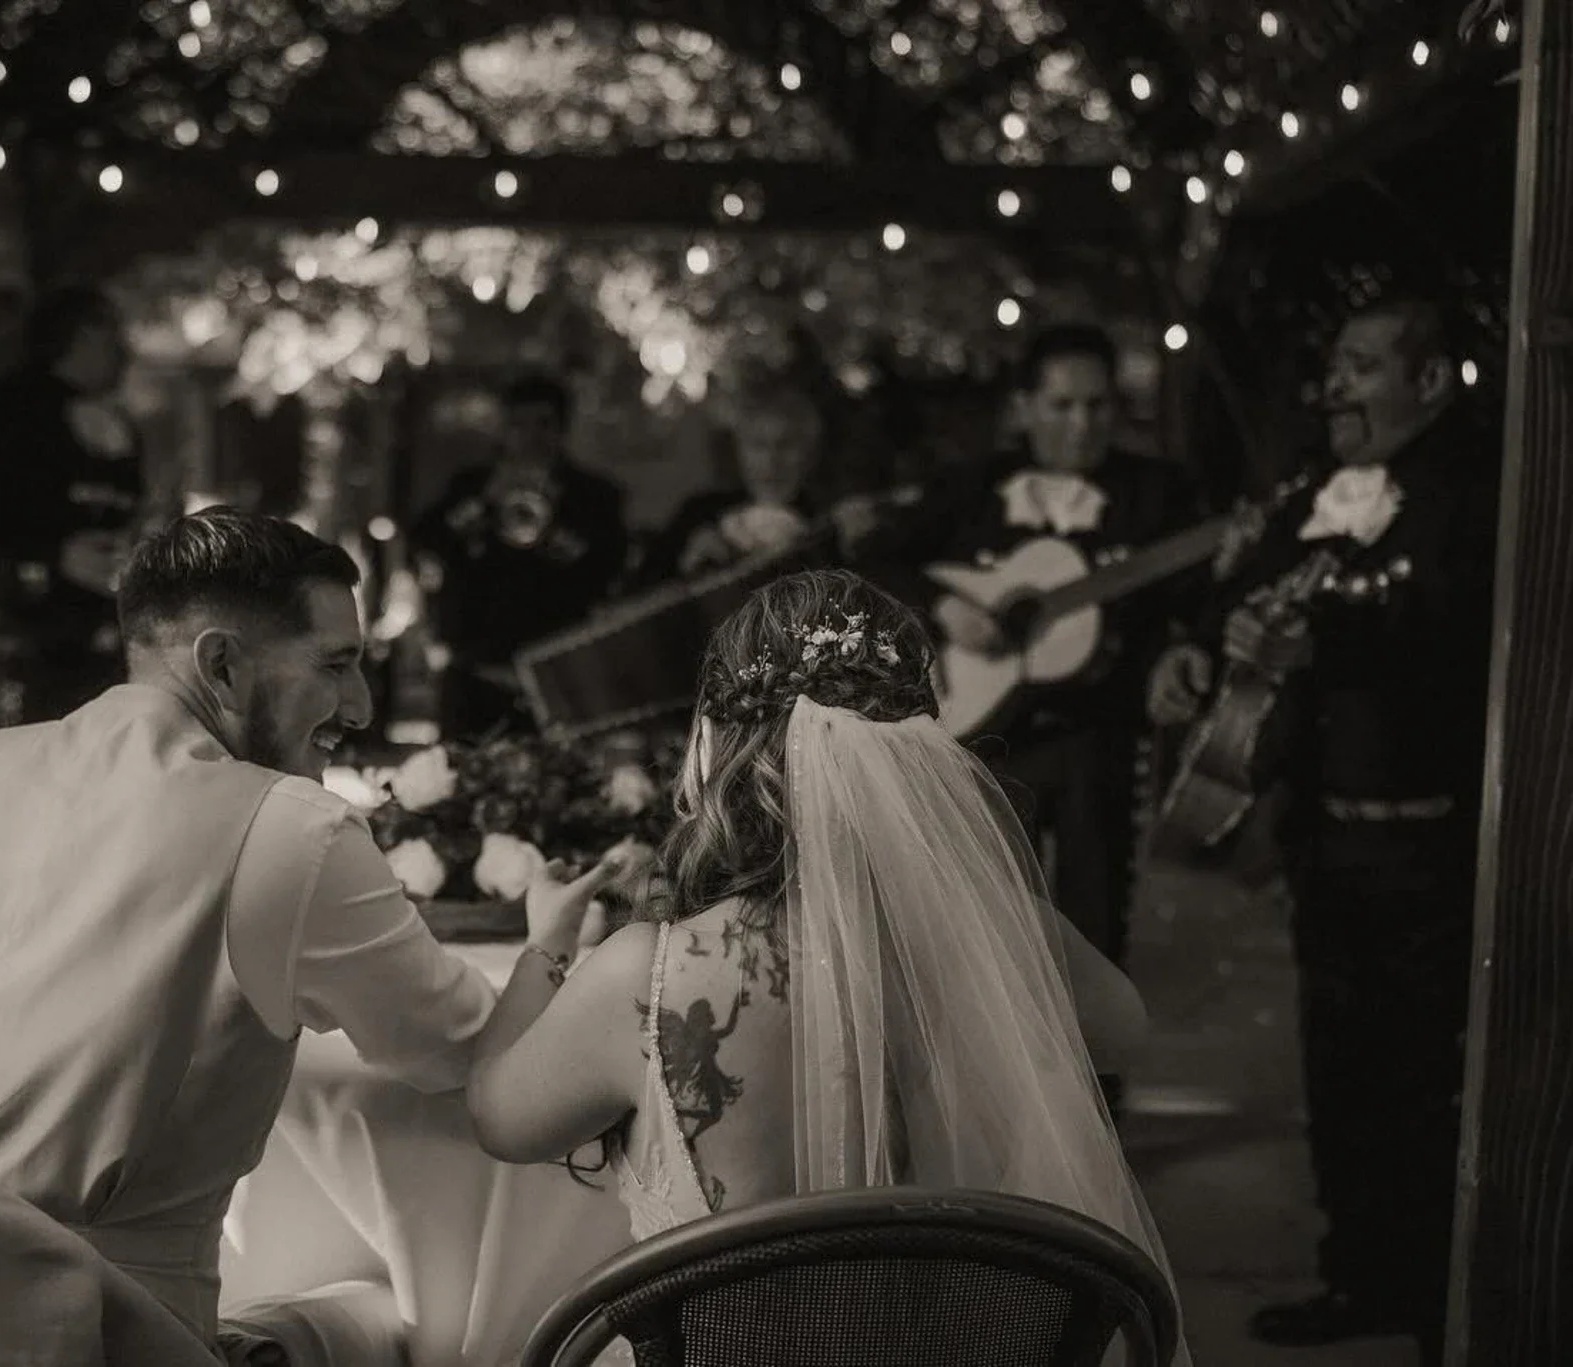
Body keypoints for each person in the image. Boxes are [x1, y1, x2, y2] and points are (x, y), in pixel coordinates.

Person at [464, 569, 1187, 1364]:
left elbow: (500, 1117)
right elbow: (1127, 1029)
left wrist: (546, 944)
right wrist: (997, 906)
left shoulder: (649, 973)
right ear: (915, 755)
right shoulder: (1002, 931)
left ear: (715, 741)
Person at [0, 508, 499, 1361]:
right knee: (406, 1321)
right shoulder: (290, 828)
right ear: (220, 662)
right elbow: (463, 1053)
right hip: (103, 1333)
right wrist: (554, 945)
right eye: (337, 665)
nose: (361, 705)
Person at [1147, 297, 1495, 1364]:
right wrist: (1194, 653)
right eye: (1335, 365)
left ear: (1429, 380)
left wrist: (1326, 634)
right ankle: (1357, 1276)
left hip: (1430, 842)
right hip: (1325, 840)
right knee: (1340, 1069)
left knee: (1424, 1082)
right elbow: (1244, 601)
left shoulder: (1470, 496)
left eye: (1363, 366)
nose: (1336, 386)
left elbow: (1449, 621)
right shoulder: (1313, 493)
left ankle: (1440, 1296)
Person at [852, 325, 1207, 1098]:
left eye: (1098, 406)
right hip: (989, 739)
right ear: (1023, 408)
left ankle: (1093, 1131)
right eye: (1062, 405)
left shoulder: (1159, 496)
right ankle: (984, 1112)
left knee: (1092, 932)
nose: (1081, 424)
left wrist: (1183, 649)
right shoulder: (973, 487)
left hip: (1097, 740)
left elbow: (1200, 600)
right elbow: (877, 557)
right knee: (975, 925)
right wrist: (944, 605)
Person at [0, 285, 146, 724]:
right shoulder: (2, 420)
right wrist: (51, 558)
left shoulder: (116, 420)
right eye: (112, 333)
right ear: (84, 335)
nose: (125, 351)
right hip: (27, 648)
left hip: (112, 643)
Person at [410, 375, 628, 738]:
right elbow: (427, 543)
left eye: (543, 424)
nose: (530, 437)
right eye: (517, 425)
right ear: (503, 430)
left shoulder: (595, 496)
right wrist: (482, 503)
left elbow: (605, 572)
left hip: (562, 673)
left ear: (562, 430)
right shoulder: (470, 486)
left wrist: (552, 530)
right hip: (475, 670)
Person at [639, 380, 827, 586]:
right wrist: (687, 567)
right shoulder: (699, 514)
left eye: (786, 445)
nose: (771, 461)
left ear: (810, 454)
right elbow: (637, 593)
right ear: (739, 450)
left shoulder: (826, 523)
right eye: (758, 445)